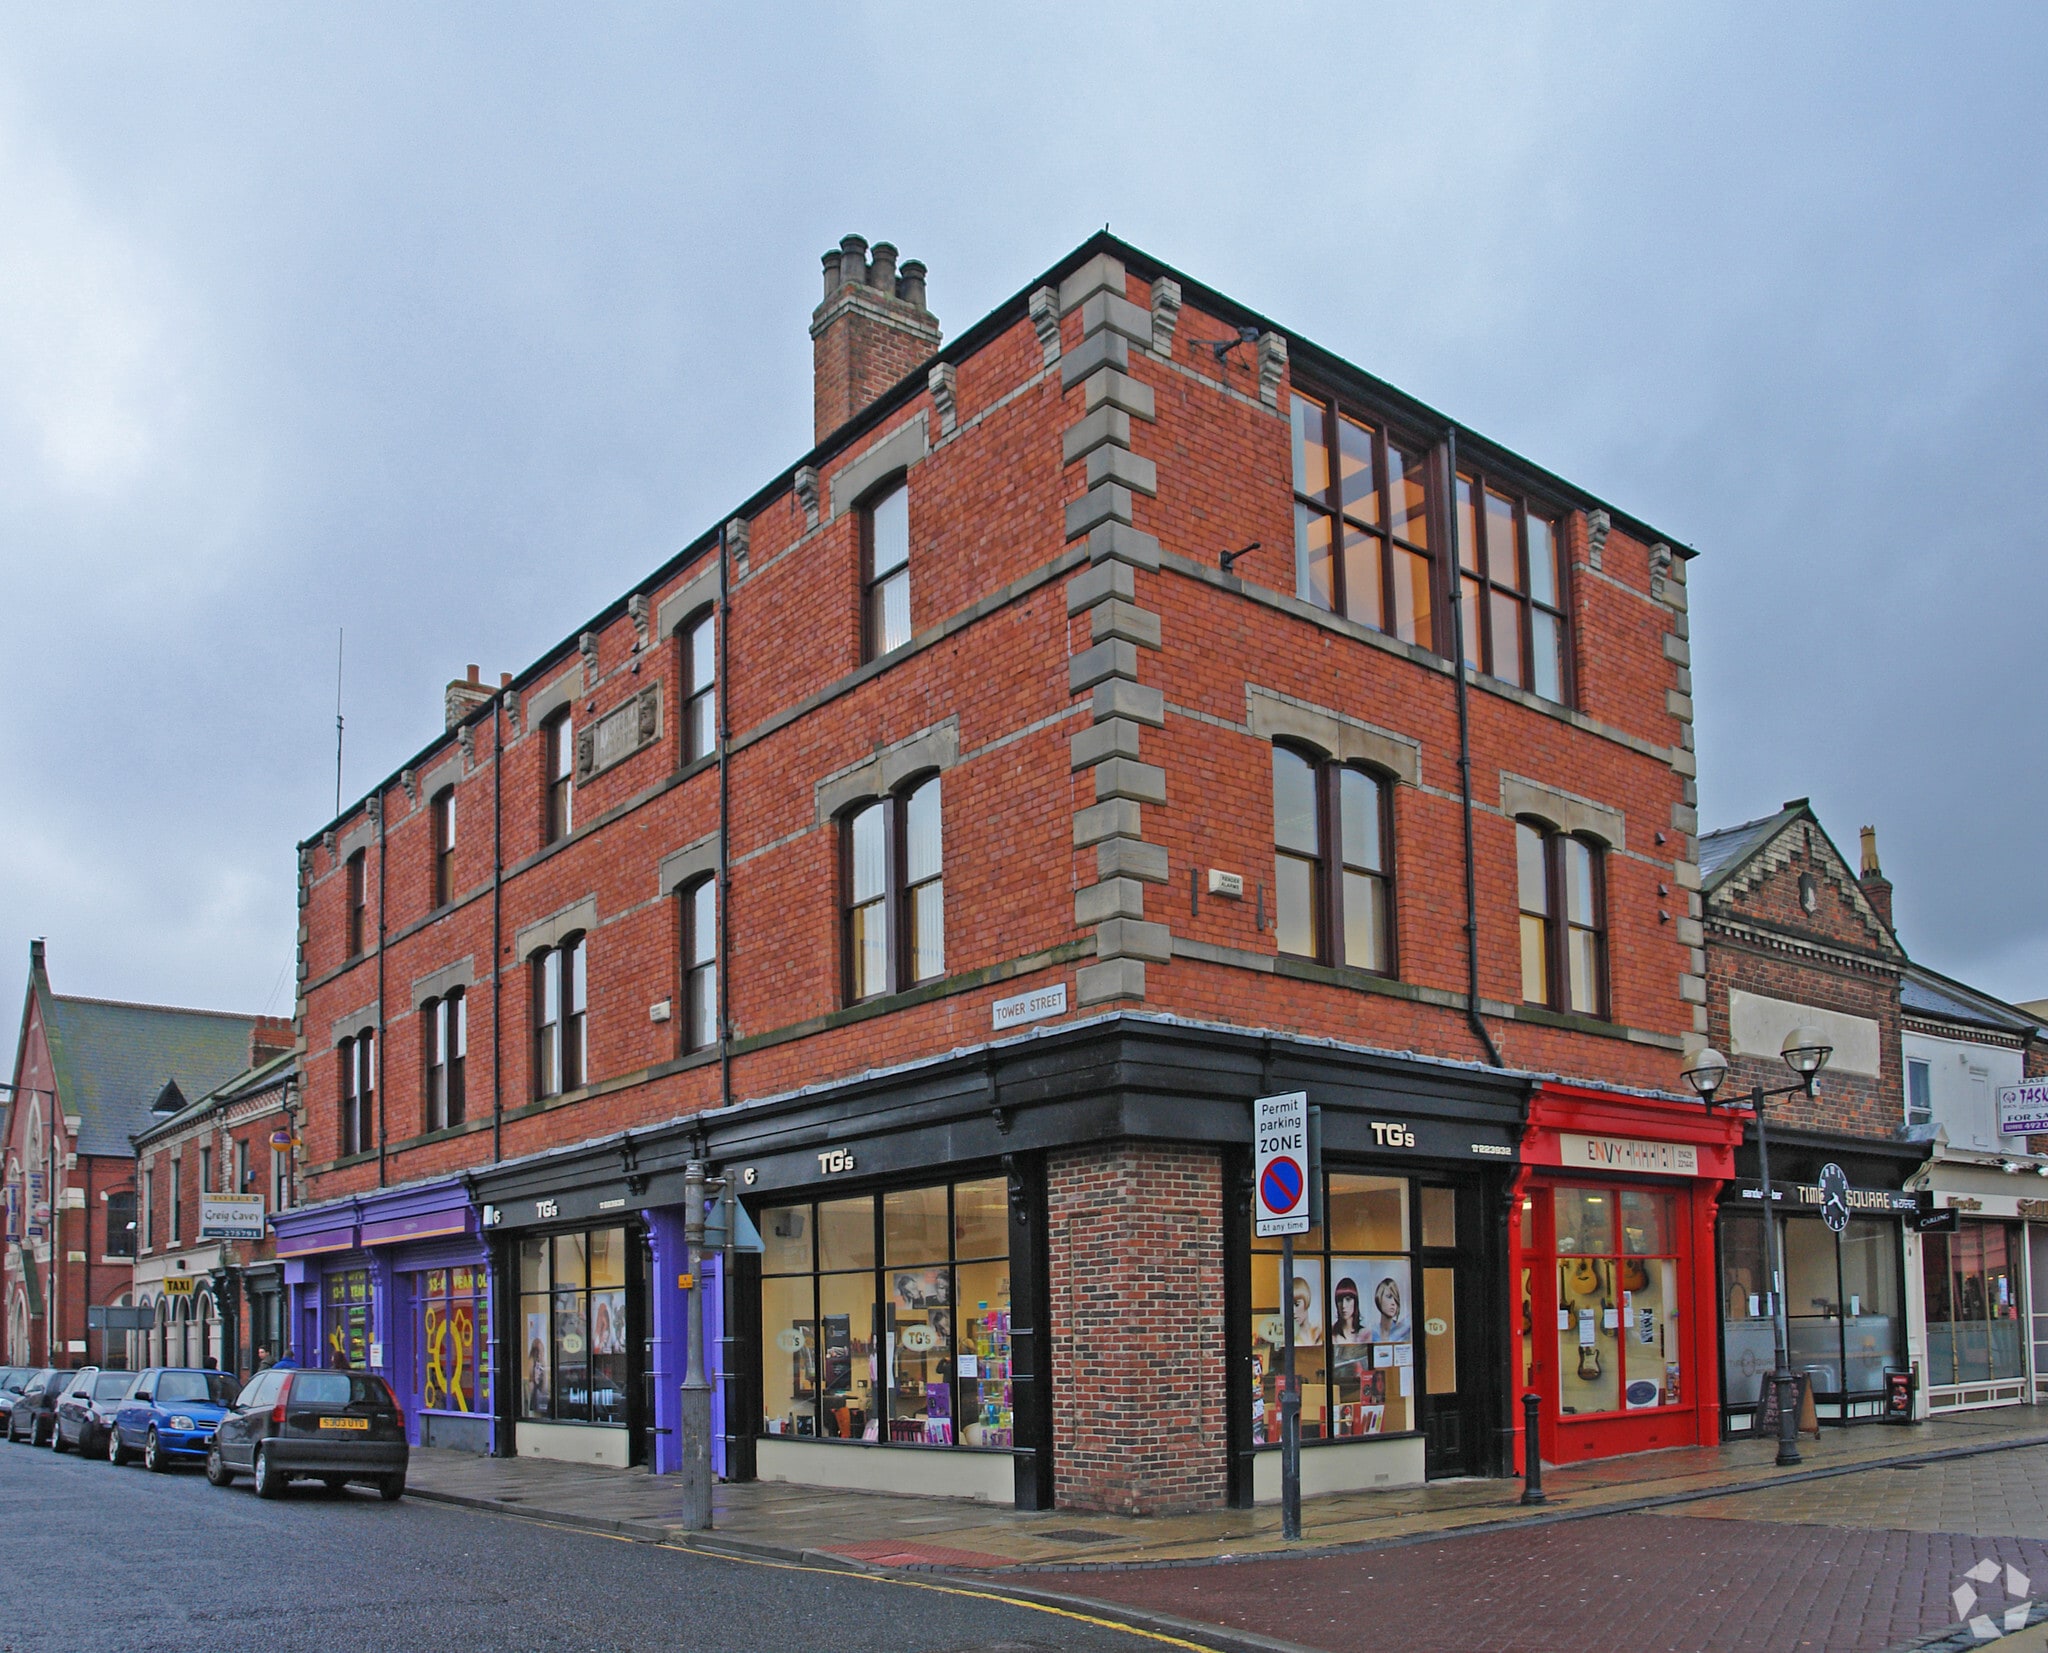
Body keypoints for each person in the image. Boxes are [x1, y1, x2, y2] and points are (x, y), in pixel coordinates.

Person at [1368, 1274, 1411, 1343]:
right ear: (1379, 1299)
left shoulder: (1405, 1333)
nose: (1393, 1303)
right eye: (1389, 1297)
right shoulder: (1371, 1333)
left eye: (1396, 1299)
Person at [1330, 1279, 1365, 1344]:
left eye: (1348, 1299)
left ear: (1355, 1302)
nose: (1343, 1305)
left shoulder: (1365, 1334)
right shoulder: (1330, 1333)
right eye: (1340, 1300)